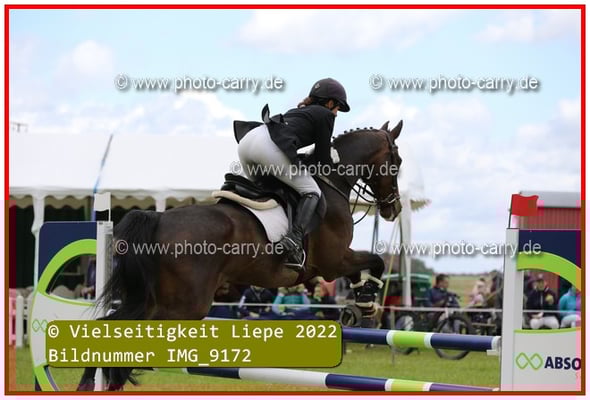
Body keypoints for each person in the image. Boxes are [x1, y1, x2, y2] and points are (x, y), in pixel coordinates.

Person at [237, 78, 350, 270]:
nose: (337, 113)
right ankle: (293, 240)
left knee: (269, 190)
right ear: (330, 103)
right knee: (312, 192)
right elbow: (322, 159)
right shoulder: (325, 115)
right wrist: (333, 160)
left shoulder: (300, 111)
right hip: (267, 147)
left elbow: (291, 148)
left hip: (248, 142)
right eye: (338, 108)